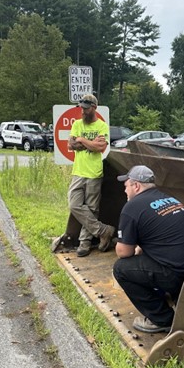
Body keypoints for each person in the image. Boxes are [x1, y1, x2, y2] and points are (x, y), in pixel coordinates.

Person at [113, 165, 184, 333]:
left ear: (136, 186)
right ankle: (177, 300)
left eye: (126, 186)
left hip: (176, 273)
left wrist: (131, 247)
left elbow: (123, 252)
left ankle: (162, 319)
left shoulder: (131, 208)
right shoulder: (170, 198)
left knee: (121, 269)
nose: (125, 191)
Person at [68, 93, 115, 257]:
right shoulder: (77, 124)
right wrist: (88, 143)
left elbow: (99, 148)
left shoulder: (102, 126)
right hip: (78, 171)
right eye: (81, 107)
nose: (82, 111)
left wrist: (81, 139)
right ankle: (103, 230)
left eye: (86, 108)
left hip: (94, 172)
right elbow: (70, 145)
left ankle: (85, 243)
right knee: (74, 204)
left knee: (92, 208)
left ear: (94, 108)